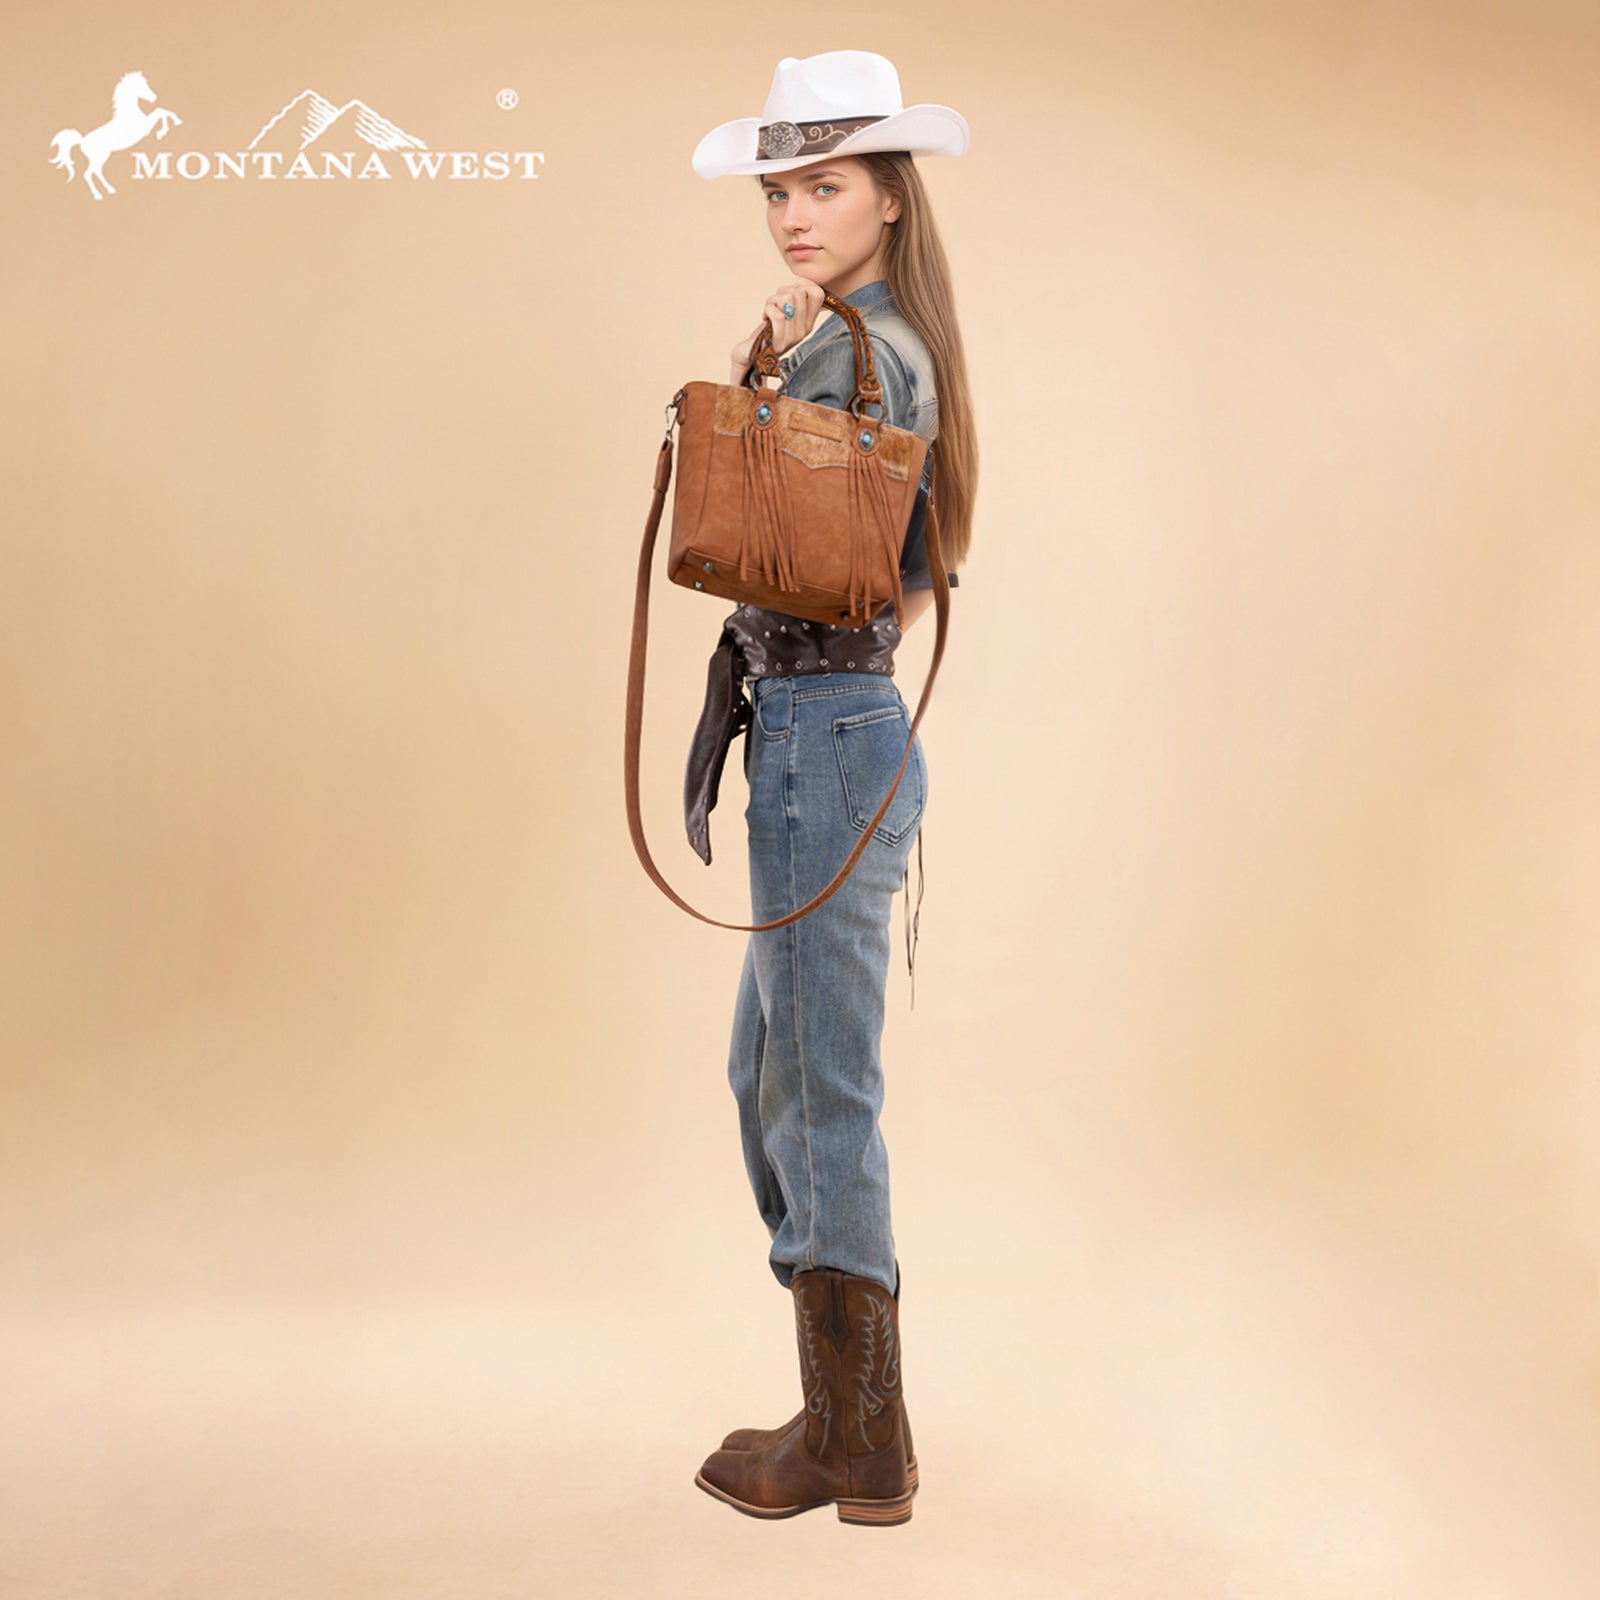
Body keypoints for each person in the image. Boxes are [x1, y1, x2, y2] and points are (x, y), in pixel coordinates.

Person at [686, 51, 978, 1527]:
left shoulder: (856, 350)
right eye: (780, 191)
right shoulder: (889, 347)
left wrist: (770, 373)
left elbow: (768, 552)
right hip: (836, 726)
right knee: (776, 1070)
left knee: (817, 1087)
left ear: (890, 196)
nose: (795, 214)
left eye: (828, 185)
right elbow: (902, 571)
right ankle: (848, 1408)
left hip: (820, 737)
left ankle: (859, 1436)